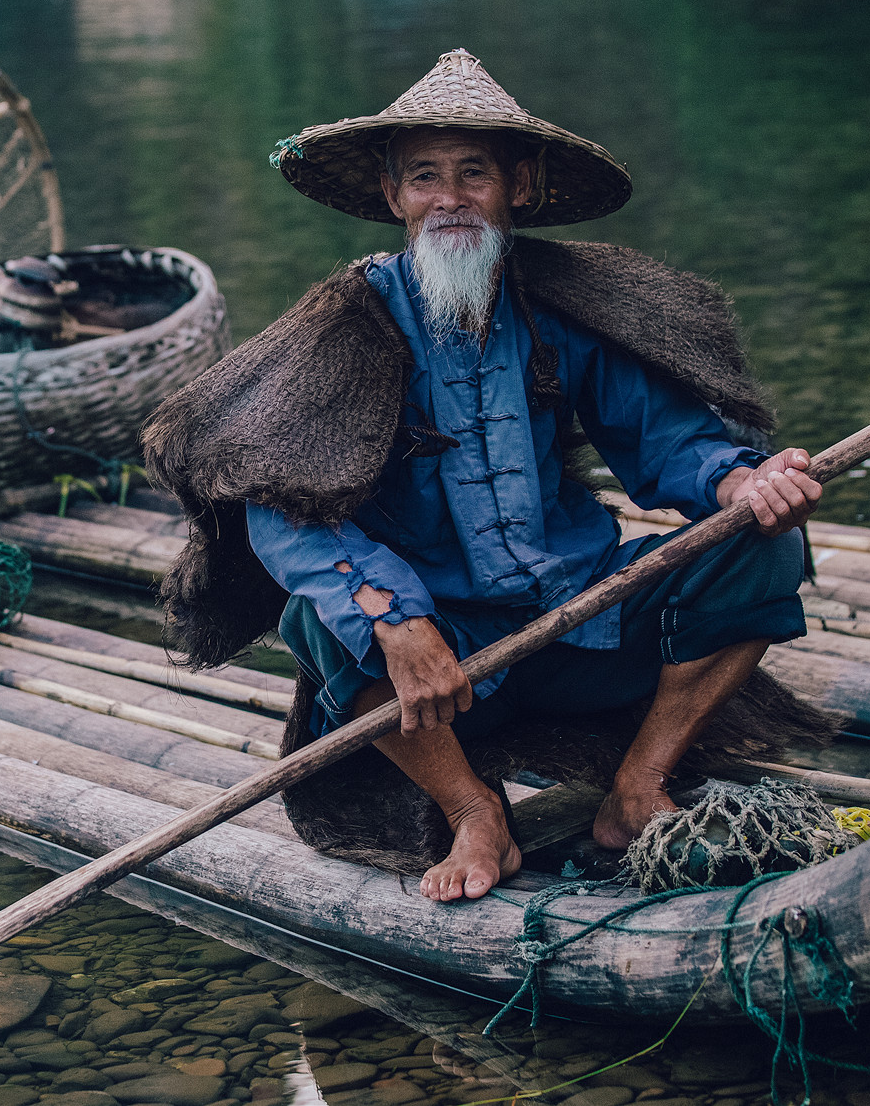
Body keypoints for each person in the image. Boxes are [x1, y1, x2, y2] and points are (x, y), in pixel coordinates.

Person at [143, 49, 825, 903]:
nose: (451, 198)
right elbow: (279, 515)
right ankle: (474, 809)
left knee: (762, 545)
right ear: (393, 197)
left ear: (522, 186)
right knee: (319, 622)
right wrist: (394, 614)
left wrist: (740, 484)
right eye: (425, 176)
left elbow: (669, 444)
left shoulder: (563, 307)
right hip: (440, 669)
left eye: (475, 173)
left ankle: (636, 788)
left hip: (587, 624)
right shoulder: (346, 326)